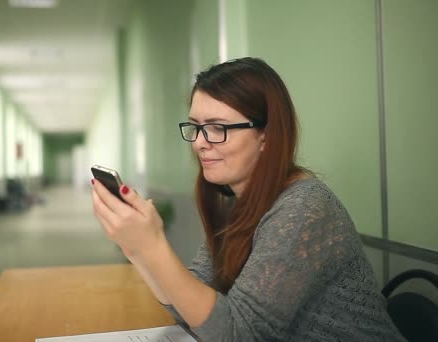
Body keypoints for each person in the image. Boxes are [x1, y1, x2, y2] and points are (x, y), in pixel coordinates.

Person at [91, 58, 405, 341]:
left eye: (217, 127)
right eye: (196, 127)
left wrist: (154, 248)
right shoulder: (235, 202)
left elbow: (239, 334)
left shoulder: (303, 208)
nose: (200, 143)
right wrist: (138, 251)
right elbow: (196, 312)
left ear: (266, 135)